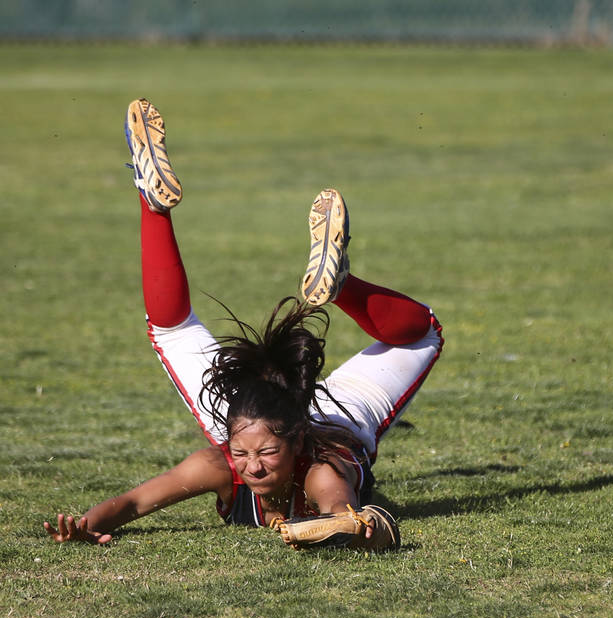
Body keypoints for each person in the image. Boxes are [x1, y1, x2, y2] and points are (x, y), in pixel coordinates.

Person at [43, 98, 443, 550]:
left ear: (296, 444)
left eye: (268, 455)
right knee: (421, 330)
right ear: (228, 442)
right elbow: (133, 504)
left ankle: (152, 202)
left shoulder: (320, 468)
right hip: (255, 413)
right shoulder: (224, 461)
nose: (251, 467)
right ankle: (341, 283)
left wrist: (338, 527)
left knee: (172, 328)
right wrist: (85, 523)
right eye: (242, 454)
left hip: (337, 417)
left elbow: (337, 507)